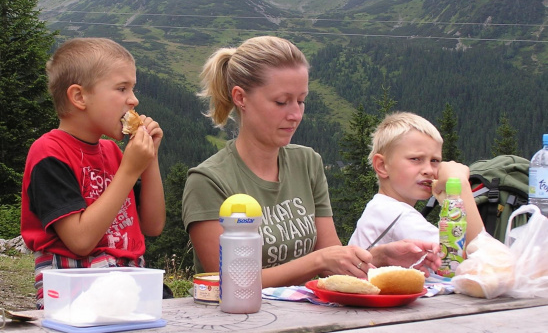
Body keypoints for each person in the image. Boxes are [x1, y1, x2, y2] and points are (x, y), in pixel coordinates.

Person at [182, 36, 440, 289]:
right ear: (240, 98)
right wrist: (317, 261)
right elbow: (227, 280)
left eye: (301, 100)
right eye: (281, 102)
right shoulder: (209, 181)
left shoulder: (307, 162)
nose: (295, 114)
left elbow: (331, 254)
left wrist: (381, 257)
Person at [21, 37, 165, 309]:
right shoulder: (49, 153)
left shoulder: (112, 152)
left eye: (132, 88)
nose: (133, 100)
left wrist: (150, 159)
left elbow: (153, 225)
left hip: (128, 279)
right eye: (122, 88)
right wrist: (129, 170)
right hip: (75, 287)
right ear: (79, 97)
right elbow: (80, 241)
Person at [349, 111, 484, 250]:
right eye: (415, 159)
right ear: (382, 166)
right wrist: (460, 185)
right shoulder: (397, 216)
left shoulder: (381, 210)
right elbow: (482, 258)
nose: (429, 170)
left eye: (435, 161)